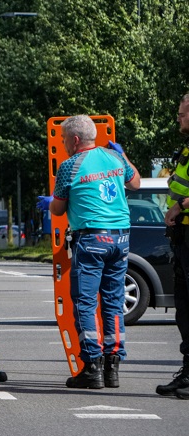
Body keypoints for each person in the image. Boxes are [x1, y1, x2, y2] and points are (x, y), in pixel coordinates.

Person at [47, 115, 140, 389]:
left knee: (86, 302)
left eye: (64, 139)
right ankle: (113, 368)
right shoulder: (115, 158)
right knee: (113, 302)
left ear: (75, 140)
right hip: (120, 237)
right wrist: (124, 156)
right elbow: (135, 184)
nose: (63, 143)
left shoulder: (69, 165)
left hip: (91, 238)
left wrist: (50, 203)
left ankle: (92, 368)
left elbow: (59, 209)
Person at [159, 94, 189, 399]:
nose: (178, 119)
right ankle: (187, 373)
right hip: (182, 237)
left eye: (181, 114)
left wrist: (180, 206)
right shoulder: (187, 148)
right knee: (184, 310)